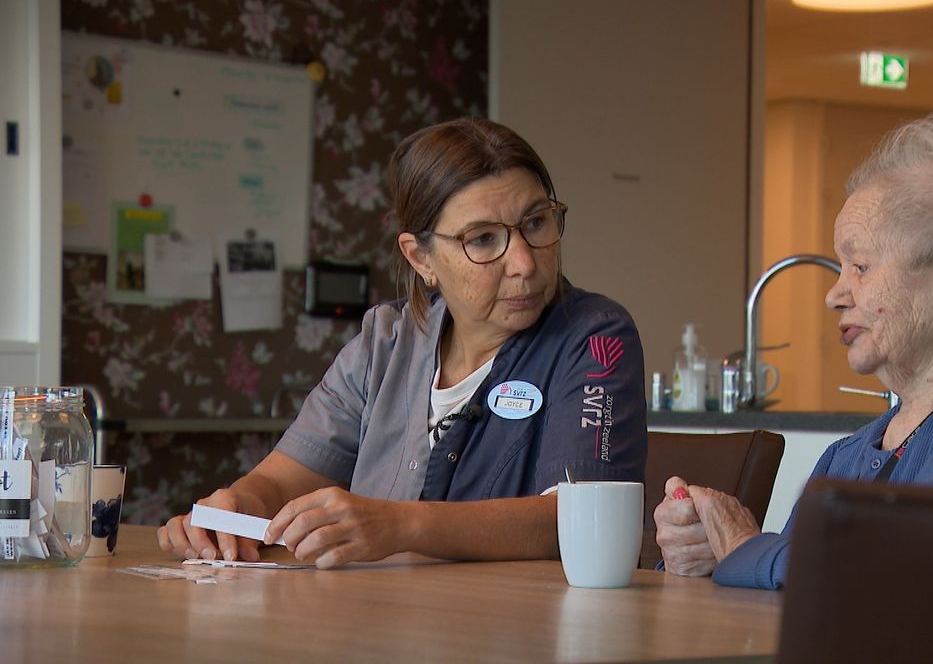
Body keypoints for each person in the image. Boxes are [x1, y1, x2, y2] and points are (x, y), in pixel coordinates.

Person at [654, 111, 933, 590]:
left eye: (861, 265)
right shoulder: (851, 455)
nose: (834, 295)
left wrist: (743, 548)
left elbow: (887, 562)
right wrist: (705, 551)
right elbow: (803, 587)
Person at [159, 118, 647, 568]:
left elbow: (578, 518)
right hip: (376, 625)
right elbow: (278, 480)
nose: (523, 262)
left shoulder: (595, 337)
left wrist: (401, 524)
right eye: (482, 239)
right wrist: (233, 509)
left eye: (537, 223)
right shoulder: (384, 343)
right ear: (421, 258)